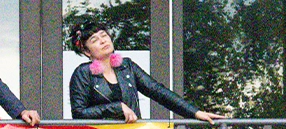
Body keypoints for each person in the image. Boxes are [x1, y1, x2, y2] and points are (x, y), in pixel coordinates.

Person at [67, 22, 222, 123]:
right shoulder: (83, 73)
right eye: (94, 40)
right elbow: (79, 113)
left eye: (104, 35)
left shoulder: (126, 66)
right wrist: (117, 108)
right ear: (87, 52)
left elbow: (157, 91)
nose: (103, 41)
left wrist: (194, 112)